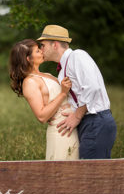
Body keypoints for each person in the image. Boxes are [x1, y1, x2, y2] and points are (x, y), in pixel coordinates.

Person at [37, 25, 116, 159]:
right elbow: (78, 95)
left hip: (96, 121)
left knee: (92, 175)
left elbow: (93, 87)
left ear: (55, 45)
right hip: (89, 122)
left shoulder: (77, 56)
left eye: (43, 45)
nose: (41, 49)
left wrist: (77, 116)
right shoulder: (63, 68)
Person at [8, 39, 79, 160]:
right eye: (37, 50)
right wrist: (62, 93)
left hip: (72, 127)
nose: (42, 51)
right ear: (28, 59)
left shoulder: (47, 75)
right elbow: (41, 116)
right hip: (61, 132)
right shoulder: (29, 82)